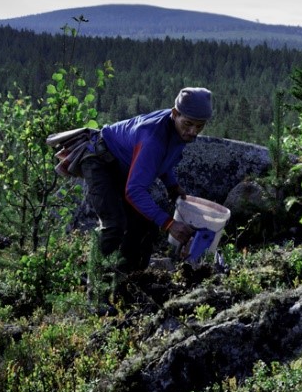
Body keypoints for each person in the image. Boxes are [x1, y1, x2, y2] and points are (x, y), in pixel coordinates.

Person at [80, 87, 213, 275]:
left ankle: (126, 278)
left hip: (122, 165)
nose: (193, 131)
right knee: (114, 225)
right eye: (188, 124)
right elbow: (134, 190)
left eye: (200, 126)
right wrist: (169, 224)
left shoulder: (176, 127)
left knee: (145, 223)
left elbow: (163, 159)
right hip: (100, 160)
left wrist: (172, 185)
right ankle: (91, 286)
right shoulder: (153, 138)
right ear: (175, 114)